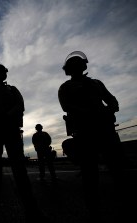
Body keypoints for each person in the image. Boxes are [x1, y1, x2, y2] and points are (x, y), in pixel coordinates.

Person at [0, 63, 48, 221]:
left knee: (19, 170)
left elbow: (20, 105)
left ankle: (31, 208)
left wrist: (6, 115)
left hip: (10, 130)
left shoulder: (12, 90)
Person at [58, 51, 125, 220]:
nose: (76, 69)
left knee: (116, 167)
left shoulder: (96, 84)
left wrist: (108, 110)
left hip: (104, 129)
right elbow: (67, 106)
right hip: (85, 132)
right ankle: (93, 207)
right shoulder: (66, 87)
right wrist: (90, 112)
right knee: (90, 172)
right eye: (73, 66)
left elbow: (112, 100)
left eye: (77, 66)